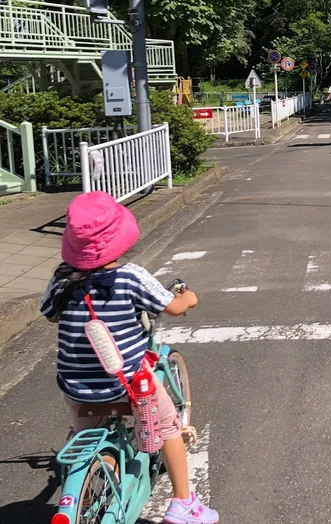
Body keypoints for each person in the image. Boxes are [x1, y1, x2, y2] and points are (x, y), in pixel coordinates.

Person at [40, 191, 219, 524]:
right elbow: (174, 307)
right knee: (169, 428)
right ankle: (184, 504)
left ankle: (95, 478)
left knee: (84, 436)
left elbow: (50, 315)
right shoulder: (130, 277)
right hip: (127, 386)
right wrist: (189, 298)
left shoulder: (61, 278)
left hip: (76, 386)